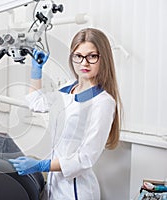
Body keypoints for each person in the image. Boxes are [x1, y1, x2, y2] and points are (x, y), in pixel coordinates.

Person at [9, 28, 122, 199]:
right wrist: (36, 70)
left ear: (103, 58)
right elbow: (36, 102)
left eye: (92, 56)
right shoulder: (68, 89)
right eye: (78, 56)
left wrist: (42, 165)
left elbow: (85, 159)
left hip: (77, 191)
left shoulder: (103, 102)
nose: (84, 63)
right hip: (55, 186)